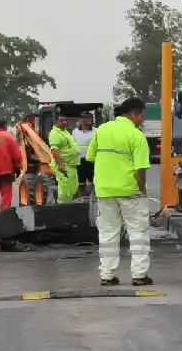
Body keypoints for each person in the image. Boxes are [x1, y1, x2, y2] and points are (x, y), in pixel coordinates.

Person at [86, 98, 153, 286]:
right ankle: (139, 275)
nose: (141, 120)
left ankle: (107, 275)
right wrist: (142, 190)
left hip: (105, 191)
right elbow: (141, 168)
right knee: (138, 232)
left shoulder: (101, 130)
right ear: (132, 114)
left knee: (107, 234)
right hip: (130, 191)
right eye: (141, 115)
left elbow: (91, 157)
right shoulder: (136, 135)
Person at [47, 112, 80, 202]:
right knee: (65, 191)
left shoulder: (64, 132)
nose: (64, 122)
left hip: (71, 165)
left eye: (66, 120)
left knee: (73, 188)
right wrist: (61, 165)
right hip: (64, 166)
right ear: (56, 122)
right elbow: (54, 150)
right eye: (61, 120)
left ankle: (70, 206)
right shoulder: (55, 134)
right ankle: (63, 208)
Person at [73, 113, 95, 195]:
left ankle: (92, 199)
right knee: (80, 184)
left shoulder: (95, 131)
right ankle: (81, 199)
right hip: (79, 161)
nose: (84, 120)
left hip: (91, 161)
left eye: (87, 118)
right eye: (82, 118)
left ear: (90, 119)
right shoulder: (75, 131)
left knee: (93, 183)